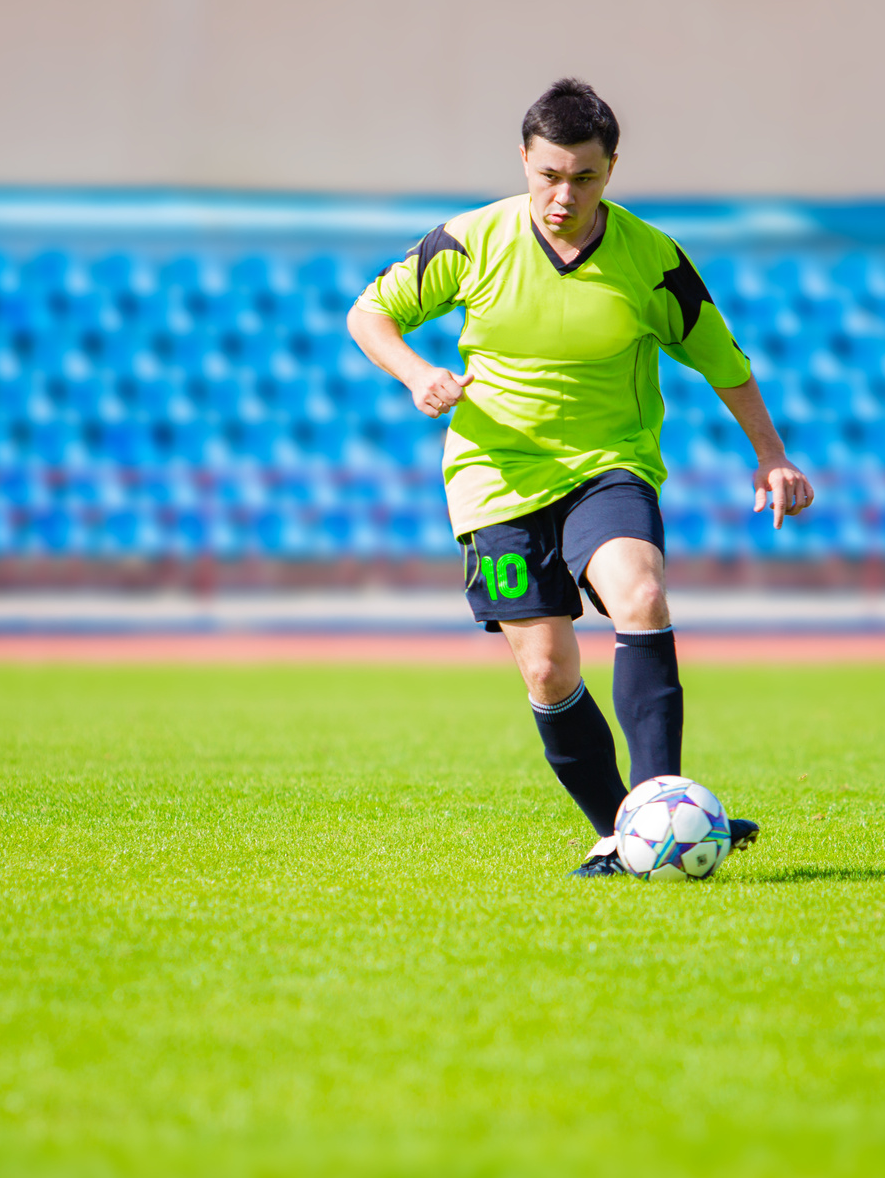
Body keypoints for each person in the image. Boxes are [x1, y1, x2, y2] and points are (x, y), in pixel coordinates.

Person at [348, 78, 815, 876]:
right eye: (549, 177)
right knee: (547, 667)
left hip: (609, 464)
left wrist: (772, 455)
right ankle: (623, 831)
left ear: (612, 170)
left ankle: (662, 802)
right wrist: (415, 372)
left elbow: (721, 360)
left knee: (641, 594)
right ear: (525, 161)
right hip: (493, 477)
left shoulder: (652, 258)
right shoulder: (469, 241)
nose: (563, 197)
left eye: (584, 179)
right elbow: (369, 313)